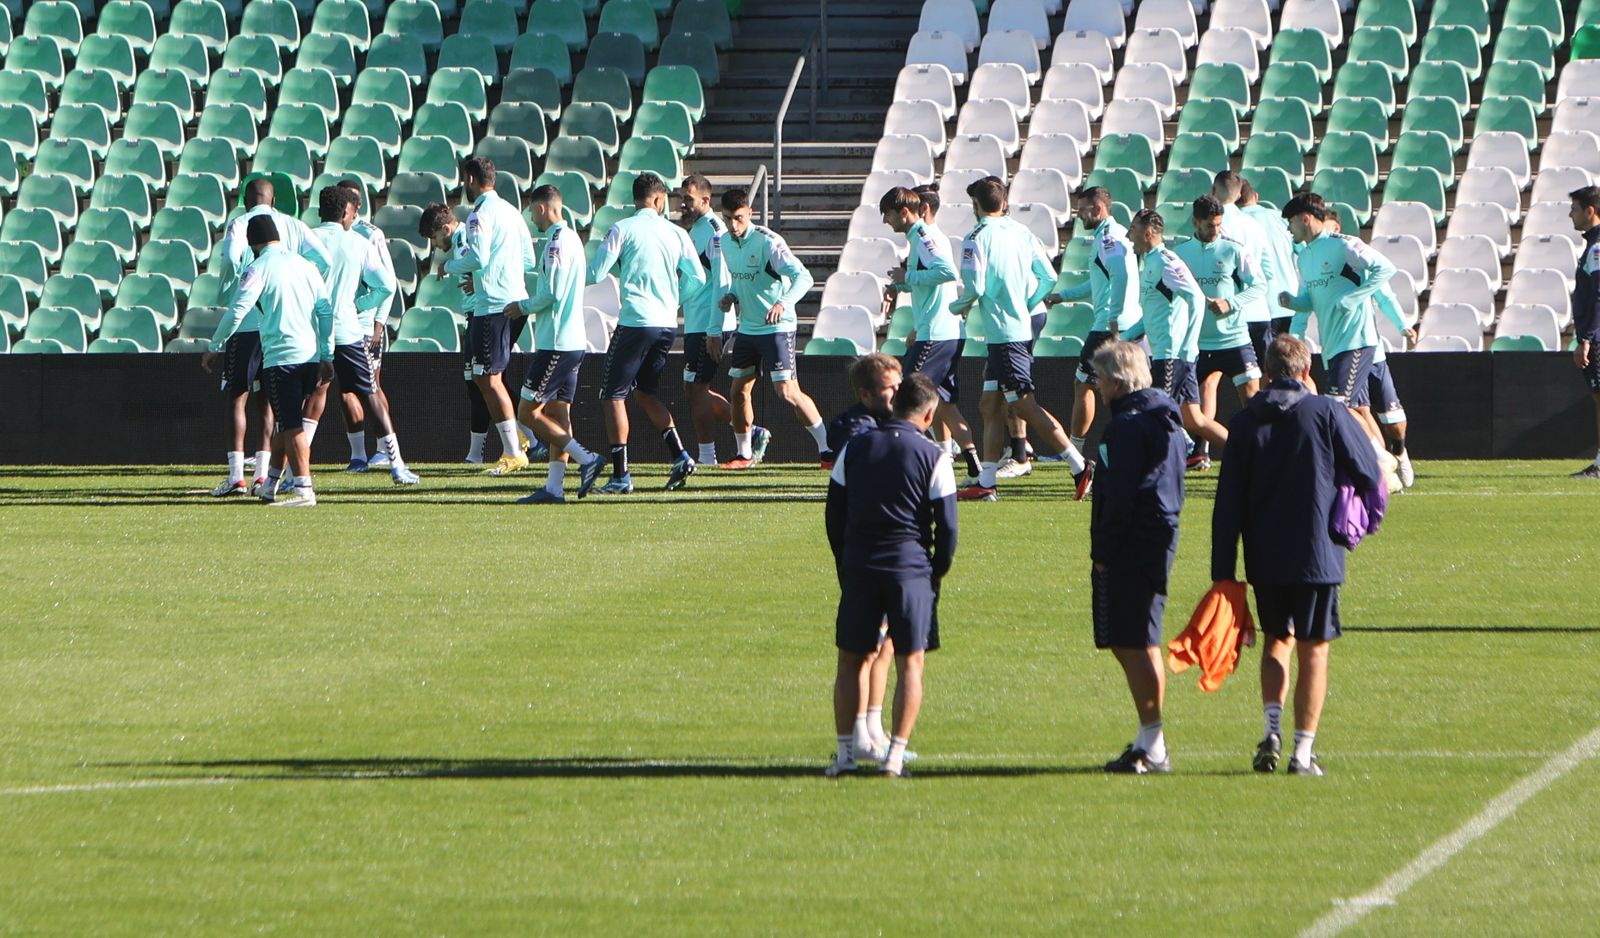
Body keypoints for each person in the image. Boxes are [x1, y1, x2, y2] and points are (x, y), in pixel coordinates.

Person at [1211, 336, 1384, 776]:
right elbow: (1368, 468)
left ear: (1267, 374)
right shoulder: (1326, 411)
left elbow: (1226, 503)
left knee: (1277, 641)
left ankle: (1272, 728)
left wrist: (1223, 575)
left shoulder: (1246, 421)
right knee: (1315, 650)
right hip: (1317, 553)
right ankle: (1302, 753)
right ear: (1307, 371)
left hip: (1265, 555)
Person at [824, 373, 957, 779]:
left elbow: (834, 515)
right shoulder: (934, 456)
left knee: (850, 661)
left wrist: (846, 563)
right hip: (910, 569)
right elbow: (947, 527)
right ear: (930, 413)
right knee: (909, 664)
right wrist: (934, 572)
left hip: (861, 565)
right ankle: (895, 755)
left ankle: (846, 754)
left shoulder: (855, 447)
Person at [952, 176, 1092, 501]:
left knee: (1023, 404)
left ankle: (1079, 465)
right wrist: (1027, 304)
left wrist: (955, 307)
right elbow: (1049, 276)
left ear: (976, 206)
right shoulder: (1021, 231)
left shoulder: (975, 238)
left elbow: (976, 288)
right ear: (1003, 203)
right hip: (1016, 326)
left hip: (1006, 333)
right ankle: (986, 482)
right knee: (990, 403)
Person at [1088, 340, 1186, 774]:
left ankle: (1154, 741)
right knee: (1131, 639)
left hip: (1135, 542)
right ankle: (1151, 738)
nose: (1096, 384)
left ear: (1115, 381)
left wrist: (1104, 551)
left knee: (1137, 639)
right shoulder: (1159, 417)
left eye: (1099, 377)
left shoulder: (1129, 426)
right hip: (1153, 537)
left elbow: (1122, 495)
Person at [203, 177, 330, 497]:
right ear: (274, 201)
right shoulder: (296, 229)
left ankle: (239, 477)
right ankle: (265, 477)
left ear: (246, 200)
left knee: (238, 397)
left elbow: (232, 260)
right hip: (300, 339)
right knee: (271, 406)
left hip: (250, 325)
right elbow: (324, 262)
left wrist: (229, 291)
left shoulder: (242, 229)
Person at [587, 172, 706, 493]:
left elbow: (596, 272)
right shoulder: (676, 232)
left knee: (612, 396)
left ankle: (621, 476)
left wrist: (622, 265)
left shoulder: (622, 229)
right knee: (645, 393)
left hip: (636, 321)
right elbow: (698, 279)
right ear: (658, 200)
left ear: (636, 199)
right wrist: (673, 299)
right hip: (666, 323)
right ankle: (680, 455)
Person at [823, 352, 905, 759]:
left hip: (891, 551)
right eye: (889, 388)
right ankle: (857, 733)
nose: (897, 394)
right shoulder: (854, 428)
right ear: (865, 393)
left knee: (887, 642)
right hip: (865, 551)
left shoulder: (896, 421)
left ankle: (874, 727)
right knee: (863, 646)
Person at [306, 185, 417, 485]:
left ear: (320, 211)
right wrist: (358, 305)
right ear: (346, 212)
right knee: (370, 393)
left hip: (311, 333)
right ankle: (397, 464)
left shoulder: (306, 240)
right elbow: (385, 285)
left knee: (313, 396)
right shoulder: (357, 242)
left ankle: (295, 470)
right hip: (346, 331)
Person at [506, 185, 610, 503]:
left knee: (526, 411)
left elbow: (551, 292)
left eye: (532, 212)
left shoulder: (556, 242)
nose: (532, 220)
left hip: (557, 343)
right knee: (558, 412)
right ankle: (554, 488)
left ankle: (587, 458)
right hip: (572, 340)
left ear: (541, 208)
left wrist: (521, 307)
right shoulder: (572, 239)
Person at [718, 188, 830, 468]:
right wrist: (732, 295)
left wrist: (783, 302)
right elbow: (740, 278)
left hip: (776, 328)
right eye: (729, 218)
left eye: (739, 218)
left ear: (750, 214)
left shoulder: (768, 242)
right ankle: (744, 455)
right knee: (738, 391)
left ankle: (828, 451)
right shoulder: (726, 242)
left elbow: (803, 276)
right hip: (748, 329)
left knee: (787, 392)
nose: (734, 225)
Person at [444, 158, 539, 477]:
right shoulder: (513, 213)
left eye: (463, 181)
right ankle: (517, 441)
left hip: (493, 305)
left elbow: (478, 257)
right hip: (515, 303)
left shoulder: (479, 214)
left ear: (470, 179)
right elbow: (528, 260)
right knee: (489, 377)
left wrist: (449, 267)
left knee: (488, 378)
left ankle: (515, 449)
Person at [881, 186, 983, 481]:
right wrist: (898, 286)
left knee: (907, 395)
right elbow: (930, 280)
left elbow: (947, 271)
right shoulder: (919, 239)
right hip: (942, 331)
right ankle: (975, 468)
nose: (886, 222)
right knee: (945, 404)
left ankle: (905, 460)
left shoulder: (924, 237)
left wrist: (907, 277)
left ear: (904, 212)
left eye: (887, 215)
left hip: (937, 334)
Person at [1277, 194, 1396, 431]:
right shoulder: (1305, 258)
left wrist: (1354, 298)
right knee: (1355, 411)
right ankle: (1381, 462)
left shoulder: (1344, 244)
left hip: (1356, 340)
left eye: (1290, 222)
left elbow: (1386, 268)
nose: (1289, 229)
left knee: (1336, 409)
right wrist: (1293, 302)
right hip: (1331, 346)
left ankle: (1379, 463)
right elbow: (1313, 301)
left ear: (1305, 219)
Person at [677, 174, 768, 467]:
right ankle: (751, 431)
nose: (683, 204)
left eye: (688, 199)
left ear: (705, 200)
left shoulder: (715, 231)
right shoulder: (698, 229)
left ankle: (707, 457)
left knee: (697, 389)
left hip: (709, 324)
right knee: (693, 389)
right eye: (682, 198)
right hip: (697, 321)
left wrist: (714, 330)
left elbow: (722, 282)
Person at [1046, 186, 1140, 463]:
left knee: (1083, 384)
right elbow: (1101, 280)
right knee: (1126, 388)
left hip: (1108, 326)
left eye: (1082, 210)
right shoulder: (1117, 234)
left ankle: (1073, 451)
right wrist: (1064, 296)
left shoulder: (1108, 239)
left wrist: (1114, 315)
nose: (1078, 216)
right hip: (1127, 322)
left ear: (1098, 209)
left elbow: (1120, 276)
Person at [1174, 196, 1265, 470]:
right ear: (1195, 222)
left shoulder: (1234, 250)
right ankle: (1202, 451)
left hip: (1235, 338)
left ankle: (1261, 453)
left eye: (1218, 224)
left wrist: (1231, 303)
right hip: (1199, 342)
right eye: (1210, 225)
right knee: (1202, 394)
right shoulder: (1180, 253)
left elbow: (1259, 285)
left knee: (1252, 400)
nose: (1216, 230)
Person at [1121, 209, 1222, 457]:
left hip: (1172, 355)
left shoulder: (1166, 261)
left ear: (1147, 233)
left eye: (1133, 229)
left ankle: (1165, 460)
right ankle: (1245, 453)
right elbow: (1154, 313)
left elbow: (1197, 298)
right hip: (1168, 353)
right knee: (1194, 418)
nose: (1128, 235)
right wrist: (1124, 338)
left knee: (1157, 413)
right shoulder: (1152, 263)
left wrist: (1188, 345)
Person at [334, 179, 400, 471]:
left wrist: (378, 322)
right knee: (346, 391)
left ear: (359, 204)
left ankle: (385, 450)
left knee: (371, 387)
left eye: (354, 198)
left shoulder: (371, 234)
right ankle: (358, 455)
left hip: (364, 326)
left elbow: (389, 283)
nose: (351, 203)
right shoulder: (334, 234)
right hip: (341, 325)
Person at [1237, 179, 1300, 358]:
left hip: (1253, 309)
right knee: (1293, 366)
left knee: (1262, 370)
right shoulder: (1281, 218)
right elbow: (1304, 250)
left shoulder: (1231, 223)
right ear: (1256, 197)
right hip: (1287, 303)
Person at [1568, 185, 1600, 479]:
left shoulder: (1598, 247)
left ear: (1590, 211)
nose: (1570, 215)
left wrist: (1587, 339)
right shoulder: (1592, 245)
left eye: (1575, 209)